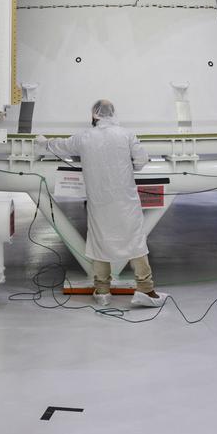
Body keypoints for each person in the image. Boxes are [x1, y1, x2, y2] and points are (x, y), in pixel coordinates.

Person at [41, 100, 166, 309]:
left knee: (100, 241)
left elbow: (61, 146)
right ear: (113, 114)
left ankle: (102, 291)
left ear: (94, 115)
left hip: (99, 201)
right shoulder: (126, 134)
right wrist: (129, 166)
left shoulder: (84, 136)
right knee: (135, 241)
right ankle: (145, 289)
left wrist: (44, 142)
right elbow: (141, 160)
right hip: (125, 201)